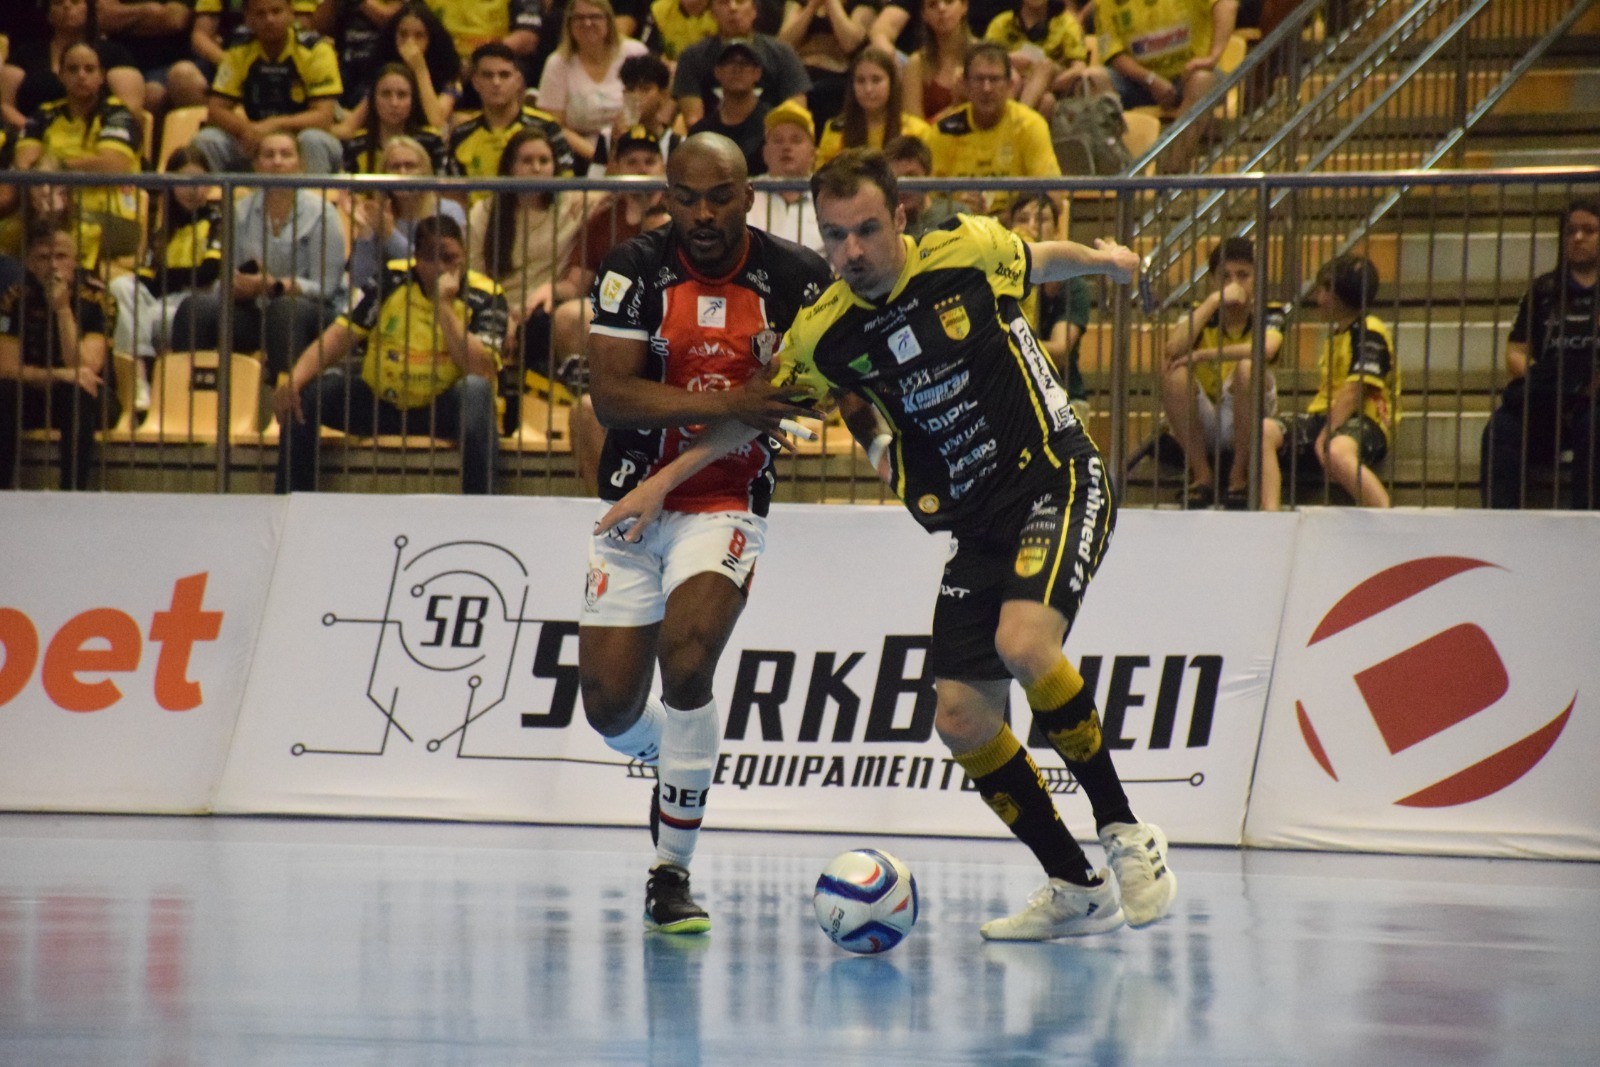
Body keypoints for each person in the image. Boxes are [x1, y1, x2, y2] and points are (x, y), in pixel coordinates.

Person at [598, 148, 1178, 941]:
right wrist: (658, 484)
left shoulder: (967, 253)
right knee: (963, 719)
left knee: (1024, 642)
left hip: (1054, 476)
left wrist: (1109, 262)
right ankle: (1076, 885)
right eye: (835, 238)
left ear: (900, 216)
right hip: (976, 523)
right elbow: (753, 411)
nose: (852, 253)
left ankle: (1125, 833)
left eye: (867, 230)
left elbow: (1042, 259)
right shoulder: (826, 329)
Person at [578, 132, 833, 934]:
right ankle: (682, 760)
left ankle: (670, 871)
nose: (702, 214)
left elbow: (825, 387)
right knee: (611, 711)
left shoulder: (796, 278)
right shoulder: (633, 268)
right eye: (685, 198)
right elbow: (613, 400)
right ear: (667, 196)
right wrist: (734, 402)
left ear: (749, 194)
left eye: (718, 196)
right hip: (631, 504)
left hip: (726, 499)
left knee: (687, 660)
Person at [272, 213, 504, 494]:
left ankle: (482, 510)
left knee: (476, 390)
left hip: (442, 409)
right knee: (305, 395)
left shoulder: (486, 294)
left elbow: (480, 367)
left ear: (464, 256)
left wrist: (443, 306)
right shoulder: (390, 279)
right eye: (432, 257)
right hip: (381, 403)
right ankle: (291, 504)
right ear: (416, 258)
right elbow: (340, 335)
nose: (442, 267)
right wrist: (294, 380)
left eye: (450, 257)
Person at [169, 130, 346, 381]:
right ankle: (192, 403)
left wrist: (275, 286)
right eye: (268, 155)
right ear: (256, 165)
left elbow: (326, 288)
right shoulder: (239, 212)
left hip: (311, 314)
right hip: (256, 310)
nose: (277, 161)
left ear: (301, 164)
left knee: (285, 309)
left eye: (285, 154)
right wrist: (236, 286)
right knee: (196, 307)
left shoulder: (323, 214)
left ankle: (287, 405)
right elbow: (228, 276)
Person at [1480, 198, 1600, 510]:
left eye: (1589, 230)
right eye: (1571, 230)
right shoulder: (1544, 289)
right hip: (1550, 398)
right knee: (1502, 427)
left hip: (1595, 400)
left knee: (1594, 424)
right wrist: (1543, 383)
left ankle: (1588, 525)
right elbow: (1516, 351)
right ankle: (1498, 525)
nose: (1578, 238)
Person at [468, 126, 588, 430]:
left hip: (540, 312)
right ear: (510, 166)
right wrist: (503, 315)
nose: (536, 168)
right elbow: (475, 277)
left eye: (544, 161)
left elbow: (616, 189)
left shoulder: (572, 204)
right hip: (494, 307)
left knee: (542, 323)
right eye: (527, 160)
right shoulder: (484, 212)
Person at [1259, 253, 1394, 511]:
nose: (1316, 298)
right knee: (1265, 431)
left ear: (1337, 295)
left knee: (1337, 451)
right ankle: (1271, 517)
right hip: (1324, 416)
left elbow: (1356, 388)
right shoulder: (1337, 333)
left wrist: (1325, 434)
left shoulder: (1370, 329)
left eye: (1322, 290)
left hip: (1366, 420)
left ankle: (1385, 515)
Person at [1161, 236, 1284, 509]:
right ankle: (1202, 474)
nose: (1234, 284)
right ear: (1213, 280)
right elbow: (1173, 349)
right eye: (1225, 277)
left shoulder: (1269, 312)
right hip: (1204, 416)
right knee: (1172, 371)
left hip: (1248, 413)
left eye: (1243, 276)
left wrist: (1204, 354)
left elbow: (1266, 349)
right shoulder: (1203, 313)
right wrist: (1214, 301)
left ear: (1257, 279)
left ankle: (1238, 475)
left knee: (1247, 368)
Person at [0, 219, 119, 491]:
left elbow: (84, 366)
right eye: (43, 258)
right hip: (35, 392)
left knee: (77, 393)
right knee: (4, 391)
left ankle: (72, 494)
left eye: (61, 256)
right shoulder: (14, 299)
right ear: (29, 264)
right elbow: (6, 367)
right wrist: (60, 376)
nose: (52, 265)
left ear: (75, 262)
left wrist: (63, 309)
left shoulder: (98, 299)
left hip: (93, 397)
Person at [108, 146, 222, 409]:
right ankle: (138, 380)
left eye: (200, 181)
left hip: (193, 306)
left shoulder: (218, 221)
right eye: (184, 181)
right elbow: (148, 279)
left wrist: (167, 278)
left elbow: (207, 273)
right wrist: (169, 278)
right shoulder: (163, 230)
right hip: (158, 303)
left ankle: (140, 372)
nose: (193, 189)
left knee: (131, 318)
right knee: (120, 286)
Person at [12, 41, 143, 264]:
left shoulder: (117, 114)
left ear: (102, 76)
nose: (81, 76)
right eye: (72, 69)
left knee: (73, 234)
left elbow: (113, 165)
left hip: (114, 219)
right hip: (50, 211)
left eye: (89, 69)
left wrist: (57, 167)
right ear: (60, 75)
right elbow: (25, 164)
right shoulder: (44, 114)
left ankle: (76, 292)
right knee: (9, 232)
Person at [192, 0, 345, 174]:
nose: (269, 19)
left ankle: (311, 200)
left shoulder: (317, 50)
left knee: (313, 139)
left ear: (291, 13)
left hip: (301, 138)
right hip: (254, 138)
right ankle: (220, 200)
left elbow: (323, 117)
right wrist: (246, 130)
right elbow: (216, 110)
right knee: (208, 140)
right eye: (260, 14)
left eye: (276, 11)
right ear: (248, 19)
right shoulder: (239, 50)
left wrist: (273, 125)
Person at [1099, 0, 1237, 172]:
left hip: (1189, 75)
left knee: (1203, 80)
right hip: (1137, 80)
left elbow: (1227, 4)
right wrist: (1150, 80)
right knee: (1092, 79)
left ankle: (1168, 174)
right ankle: (1115, 169)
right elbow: (1113, 55)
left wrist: (1213, 57)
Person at [928, 42, 1061, 217]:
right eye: (979, 79)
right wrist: (956, 207)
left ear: (1009, 84)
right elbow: (926, 198)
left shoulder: (1030, 125)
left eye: (994, 79)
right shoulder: (945, 129)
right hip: (959, 229)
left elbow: (1053, 194)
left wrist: (1007, 217)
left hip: (1015, 232)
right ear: (965, 85)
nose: (987, 88)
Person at [447, 41, 576, 204]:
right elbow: (454, 197)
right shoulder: (461, 134)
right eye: (487, 75)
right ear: (475, 82)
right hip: (478, 224)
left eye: (504, 75)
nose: (496, 82)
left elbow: (566, 185)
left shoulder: (546, 127)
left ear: (518, 80)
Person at [346, 134, 467, 295]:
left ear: (425, 171)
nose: (402, 173)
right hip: (388, 301)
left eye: (410, 166)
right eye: (395, 167)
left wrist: (389, 234)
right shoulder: (376, 214)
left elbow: (433, 268)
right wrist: (365, 236)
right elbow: (360, 281)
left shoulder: (449, 211)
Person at [1008, 193, 1092, 419]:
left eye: (1041, 219)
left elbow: (1059, 351)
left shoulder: (1072, 286)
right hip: (1012, 393)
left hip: (1063, 395)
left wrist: (1003, 346)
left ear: (1056, 231)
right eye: (1023, 219)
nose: (1031, 227)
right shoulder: (1000, 280)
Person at [536, 0, 650, 166]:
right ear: (569, 23)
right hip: (579, 156)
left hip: (635, 146)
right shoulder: (557, 63)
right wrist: (598, 156)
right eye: (579, 18)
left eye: (595, 17)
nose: (587, 23)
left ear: (608, 20)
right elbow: (553, 125)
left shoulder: (635, 52)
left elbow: (653, 102)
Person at [1, 0, 146, 130]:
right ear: (48, 14)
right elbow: (4, 105)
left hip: (97, 137)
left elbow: (130, 108)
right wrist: (35, 131)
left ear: (90, 9)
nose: (67, 6)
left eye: (75, 2)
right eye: (58, 2)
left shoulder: (116, 55)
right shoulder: (25, 54)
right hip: (29, 135)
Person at [670, 0, 810, 129]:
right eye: (724, 2)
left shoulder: (782, 53)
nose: (733, 8)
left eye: (740, 1)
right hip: (712, 145)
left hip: (770, 142)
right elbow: (693, 122)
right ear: (712, 13)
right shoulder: (692, 57)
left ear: (755, 10)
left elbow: (796, 115)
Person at [814, 46, 931, 168]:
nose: (868, 89)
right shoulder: (835, 130)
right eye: (860, 81)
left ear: (891, 83)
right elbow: (823, 177)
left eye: (876, 80)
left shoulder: (917, 131)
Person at [981, 0, 1109, 111]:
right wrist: (1008, 59)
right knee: (1046, 102)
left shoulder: (1066, 23)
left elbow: (1079, 69)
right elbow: (982, 61)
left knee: (1045, 65)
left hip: (1057, 83)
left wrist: (1041, 85)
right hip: (1015, 85)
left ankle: (1016, 123)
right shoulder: (1001, 23)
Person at [339, 61, 449, 175]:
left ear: (413, 100)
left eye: (402, 95)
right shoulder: (356, 145)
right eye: (386, 94)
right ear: (373, 100)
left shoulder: (431, 141)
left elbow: (442, 189)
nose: (394, 103)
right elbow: (346, 191)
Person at [774, 0, 871, 126]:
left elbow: (850, 44)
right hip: (799, 76)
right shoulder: (798, 4)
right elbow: (783, 45)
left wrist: (831, 3)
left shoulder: (861, 5)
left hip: (839, 79)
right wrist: (811, 7)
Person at [686, 38, 772, 176]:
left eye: (745, 63)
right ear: (717, 72)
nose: (737, 69)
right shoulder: (701, 133)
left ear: (757, 73)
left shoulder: (773, 125)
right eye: (729, 62)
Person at [748, 100, 822, 251]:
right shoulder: (746, 194)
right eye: (778, 140)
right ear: (765, 153)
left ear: (813, 154)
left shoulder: (827, 196)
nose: (786, 147)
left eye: (796, 140)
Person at [896, 0, 974, 120]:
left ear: (964, 6)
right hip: (930, 138)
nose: (941, 9)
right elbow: (914, 130)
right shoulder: (917, 63)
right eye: (932, 4)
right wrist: (956, 105)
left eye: (949, 2)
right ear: (924, 15)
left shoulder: (983, 56)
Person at [883, 133, 960, 239]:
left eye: (911, 176)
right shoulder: (884, 223)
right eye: (896, 179)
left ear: (928, 175)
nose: (903, 188)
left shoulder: (956, 214)